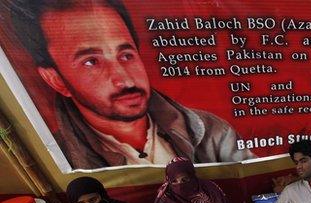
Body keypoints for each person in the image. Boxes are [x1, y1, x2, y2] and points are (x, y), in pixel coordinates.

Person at [10, 0, 254, 170]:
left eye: (126, 55)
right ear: (56, 80)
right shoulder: (62, 159)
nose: (124, 79)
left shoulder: (208, 130)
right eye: (91, 61)